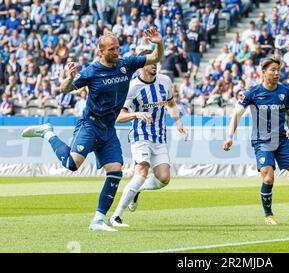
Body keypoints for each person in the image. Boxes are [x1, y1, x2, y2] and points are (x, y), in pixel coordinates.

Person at [20, 27, 164, 232]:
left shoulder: (126, 64)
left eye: (117, 48)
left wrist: (158, 42)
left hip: (108, 129)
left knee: (116, 171)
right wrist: (70, 78)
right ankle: (47, 132)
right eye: (112, 49)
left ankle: (97, 220)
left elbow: (155, 56)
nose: (117, 52)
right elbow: (64, 89)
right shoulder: (92, 71)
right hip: (90, 125)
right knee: (71, 164)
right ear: (101, 51)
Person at [223, 56, 289, 225]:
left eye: (278, 70)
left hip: (281, 140)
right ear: (263, 72)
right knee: (268, 178)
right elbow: (236, 114)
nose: (277, 73)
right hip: (262, 141)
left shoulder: (284, 92)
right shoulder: (253, 93)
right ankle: (268, 215)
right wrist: (230, 137)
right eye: (273, 70)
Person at [108, 51, 188, 227]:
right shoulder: (132, 87)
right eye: (151, 61)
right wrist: (137, 114)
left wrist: (179, 121)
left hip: (159, 138)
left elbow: (171, 104)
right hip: (140, 136)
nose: (155, 64)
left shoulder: (165, 82)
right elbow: (118, 116)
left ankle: (137, 191)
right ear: (141, 65)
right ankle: (115, 217)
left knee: (164, 178)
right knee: (142, 171)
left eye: (156, 61)